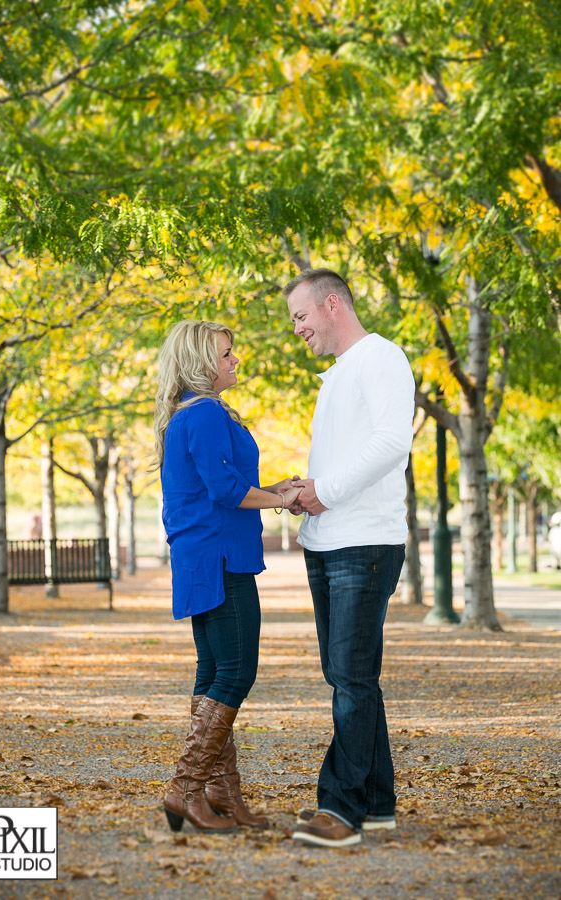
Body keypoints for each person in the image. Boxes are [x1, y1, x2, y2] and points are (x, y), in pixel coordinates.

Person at [284, 268, 415, 848]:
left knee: (350, 680)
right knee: (351, 677)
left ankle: (339, 809)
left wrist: (325, 490)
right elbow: (345, 455)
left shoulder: (382, 357)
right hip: (329, 539)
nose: (298, 329)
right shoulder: (336, 375)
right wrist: (309, 489)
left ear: (332, 304)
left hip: (364, 543)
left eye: (301, 316)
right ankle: (377, 803)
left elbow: (392, 443)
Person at [154, 320, 301, 835]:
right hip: (220, 556)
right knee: (236, 672)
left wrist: (273, 488)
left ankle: (220, 793)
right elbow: (225, 491)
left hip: (201, 555)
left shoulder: (188, 415)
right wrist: (284, 500)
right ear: (200, 363)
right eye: (226, 353)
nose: (235, 360)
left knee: (212, 670)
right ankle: (186, 786)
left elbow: (225, 484)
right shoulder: (208, 412)